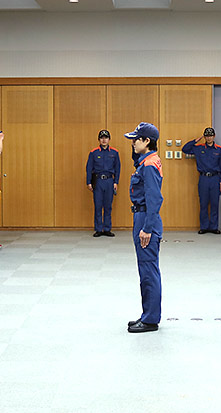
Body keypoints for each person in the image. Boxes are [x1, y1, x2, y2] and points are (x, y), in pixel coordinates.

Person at [125, 122, 163, 334]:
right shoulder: (147, 160)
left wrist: (147, 228)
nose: (132, 142)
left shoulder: (148, 165)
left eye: (136, 139)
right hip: (143, 215)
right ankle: (147, 314)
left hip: (146, 218)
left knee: (148, 271)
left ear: (147, 141)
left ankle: (150, 319)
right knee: (147, 269)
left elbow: (154, 199)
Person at [182, 127, 221, 234]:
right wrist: (196, 140)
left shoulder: (219, 150)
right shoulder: (199, 148)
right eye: (206, 136)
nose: (209, 138)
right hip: (203, 179)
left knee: (215, 203)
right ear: (204, 137)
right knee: (203, 203)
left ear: (214, 136)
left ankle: (214, 227)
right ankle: (204, 227)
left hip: (215, 179)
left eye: (210, 136)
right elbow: (185, 149)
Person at [87, 130, 121, 237]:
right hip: (98, 181)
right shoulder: (94, 152)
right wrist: (89, 182)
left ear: (109, 139)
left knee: (108, 206)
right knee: (98, 205)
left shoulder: (114, 153)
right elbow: (89, 168)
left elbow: (118, 168)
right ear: (99, 140)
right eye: (102, 138)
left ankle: (107, 228)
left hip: (109, 181)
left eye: (106, 138)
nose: (104, 140)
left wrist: (116, 182)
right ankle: (98, 229)